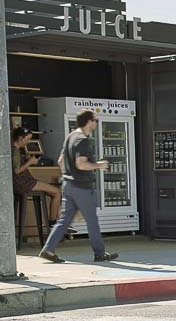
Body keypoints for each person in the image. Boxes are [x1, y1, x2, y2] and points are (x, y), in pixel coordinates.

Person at [39, 111, 119, 263]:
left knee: (64, 220)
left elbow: (60, 160)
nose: (96, 123)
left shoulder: (70, 137)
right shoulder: (82, 140)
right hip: (82, 187)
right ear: (89, 122)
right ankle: (100, 253)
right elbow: (81, 164)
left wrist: (67, 175)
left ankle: (48, 249)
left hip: (68, 185)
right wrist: (99, 165)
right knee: (92, 221)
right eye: (95, 120)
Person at [10, 127, 62, 224]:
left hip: (20, 184)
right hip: (23, 183)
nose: (28, 142)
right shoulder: (15, 152)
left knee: (54, 192)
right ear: (21, 138)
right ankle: (53, 223)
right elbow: (16, 171)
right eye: (28, 139)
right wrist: (30, 162)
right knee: (57, 191)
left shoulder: (13, 150)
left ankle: (57, 220)